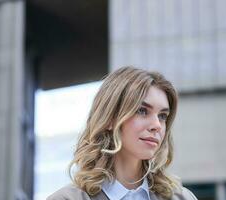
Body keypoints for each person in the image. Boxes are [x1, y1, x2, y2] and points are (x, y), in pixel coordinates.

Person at [47, 67, 197, 200]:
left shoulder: (182, 197)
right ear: (110, 119)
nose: (157, 125)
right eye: (142, 111)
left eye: (162, 116)